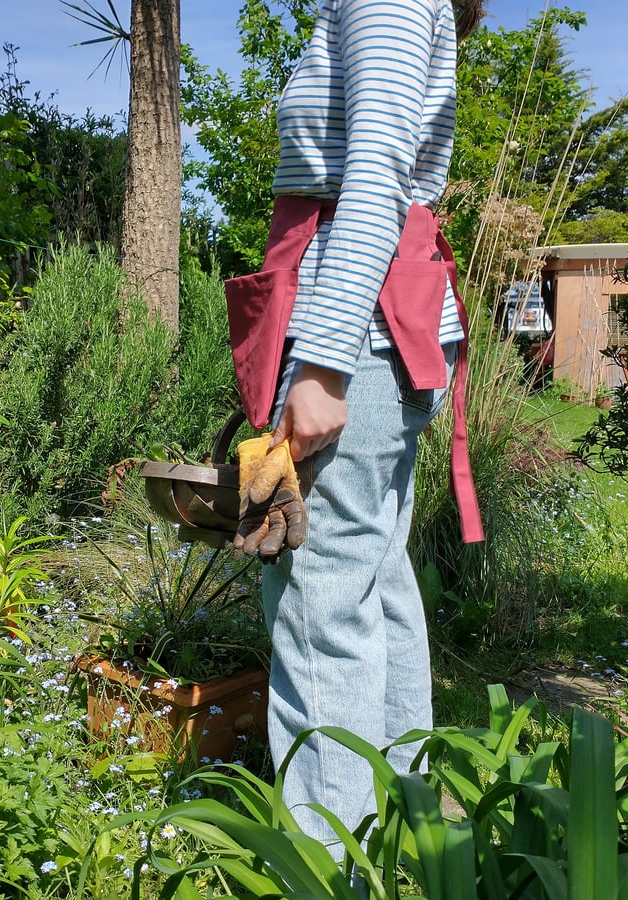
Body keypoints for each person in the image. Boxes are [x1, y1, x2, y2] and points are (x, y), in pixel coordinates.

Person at [230, 0, 487, 855]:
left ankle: (325, 860)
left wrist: (322, 364)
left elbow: (375, 172)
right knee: (374, 578)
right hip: (384, 330)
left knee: (320, 598)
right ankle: (402, 827)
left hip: (357, 335)